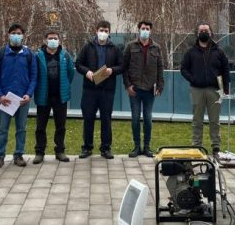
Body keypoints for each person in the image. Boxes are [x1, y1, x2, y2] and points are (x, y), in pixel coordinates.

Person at [75, 20, 124, 159]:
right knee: (88, 119)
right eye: (101, 30)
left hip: (107, 90)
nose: (103, 33)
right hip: (90, 89)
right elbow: (78, 64)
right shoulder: (87, 46)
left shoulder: (115, 48)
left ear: (109, 33)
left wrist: (111, 70)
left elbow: (121, 66)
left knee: (106, 119)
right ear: (96, 31)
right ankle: (87, 147)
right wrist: (87, 72)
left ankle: (106, 148)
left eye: (106, 31)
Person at [0, 23, 38, 168]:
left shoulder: (29, 54)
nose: (16, 36)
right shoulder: (0, 54)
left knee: (21, 129)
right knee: (2, 129)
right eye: (13, 33)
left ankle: (19, 155)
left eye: (19, 33)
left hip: (23, 100)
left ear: (23, 36)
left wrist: (28, 94)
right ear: (9, 34)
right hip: (5, 100)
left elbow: (34, 76)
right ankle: (0, 156)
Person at [180, 22, 230, 159]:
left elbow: (226, 70)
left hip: (214, 90)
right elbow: (183, 69)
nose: (204, 32)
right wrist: (193, 79)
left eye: (206, 30)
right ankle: (197, 146)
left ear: (211, 33)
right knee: (197, 120)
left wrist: (226, 88)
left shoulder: (219, 51)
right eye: (201, 30)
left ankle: (216, 147)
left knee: (215, 120)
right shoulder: (191, 52)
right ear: (197, 33)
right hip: (197, 90)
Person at [122, 20, 164, 158]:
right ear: (139, 29)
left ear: (151, 31)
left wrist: (160, 86)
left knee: (147, 118)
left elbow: (160, 68)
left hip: (150, 89)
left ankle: (146, 147)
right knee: (135, 118)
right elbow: (124, 67)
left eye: (147, 28)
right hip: (134, 88)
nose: (145, 30)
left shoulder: (156, 48)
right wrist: (128, 85)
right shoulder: (130, 46)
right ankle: (136, 146)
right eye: (143, 28)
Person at [33, 31, 75, 164]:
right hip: (43, 96)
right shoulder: (38, 56)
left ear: (59, 40)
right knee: (40, 126)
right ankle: (39, 152)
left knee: (61, 126)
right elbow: (35, 74)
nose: (53, 40)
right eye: (50, 38)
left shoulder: (65, 55)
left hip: (60, 97)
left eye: (55, 38)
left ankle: (60, 151)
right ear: (45, 40)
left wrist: (65, 86)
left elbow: (70, 73)